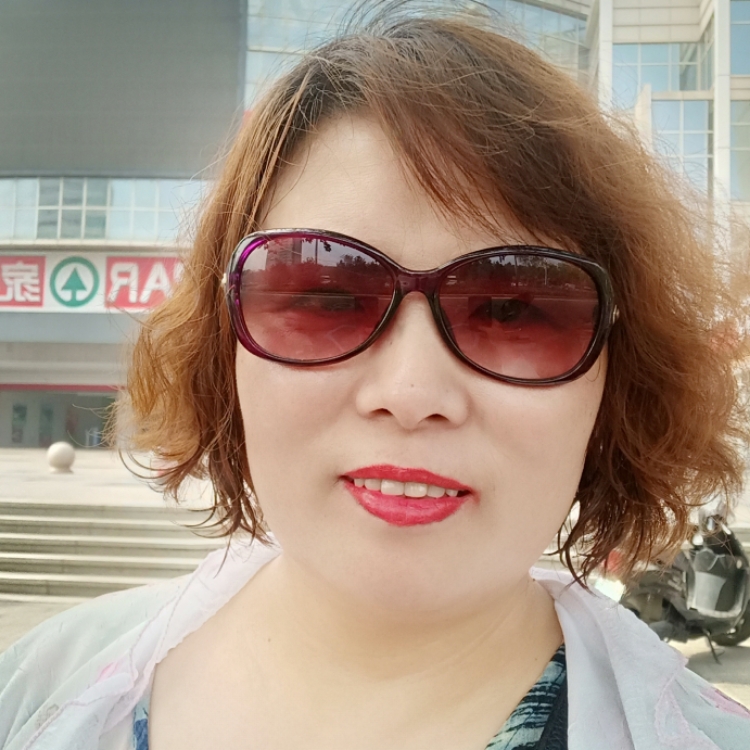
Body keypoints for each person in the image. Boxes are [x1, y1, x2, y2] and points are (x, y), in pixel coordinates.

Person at [2, 3, 750, 749]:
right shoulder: (39, 692)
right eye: (327, 298)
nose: (411, 393)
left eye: (513, 310)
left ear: (616, 381)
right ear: (224, 349)